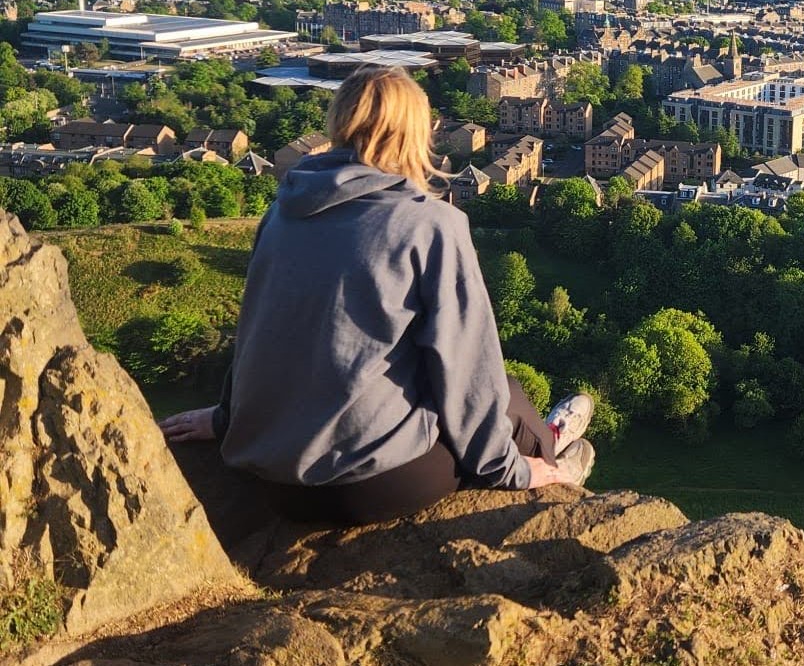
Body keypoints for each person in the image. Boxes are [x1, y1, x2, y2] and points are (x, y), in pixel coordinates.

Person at [159, 65, 595, 525]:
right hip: (362, 489)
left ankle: (545, 443)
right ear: (417, 133)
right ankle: (553, 462)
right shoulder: (430, 224)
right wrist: (512, 472)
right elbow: (465, 366)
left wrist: (228, 418)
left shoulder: (284, 210)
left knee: (488, 397)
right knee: (503, 394)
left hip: (269, 477)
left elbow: (260, 327)